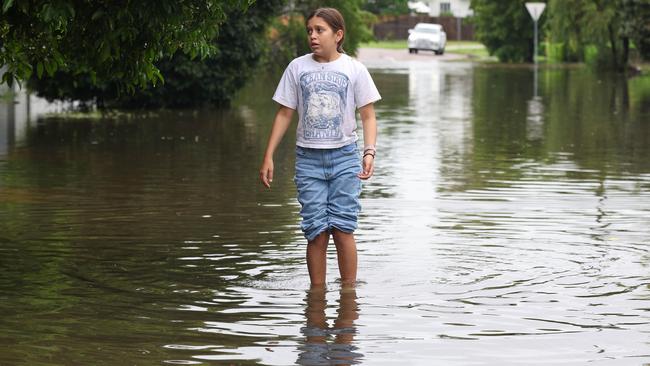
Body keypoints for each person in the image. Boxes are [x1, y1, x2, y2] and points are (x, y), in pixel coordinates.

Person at [259, 7, 381, 287]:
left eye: (319, 30)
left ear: (338, 35)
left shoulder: (354, 69)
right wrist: (268, 156)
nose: (312, 36)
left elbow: (368, 115)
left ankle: (348, 298)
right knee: (315, 232)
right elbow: (284, 113)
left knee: (343, 229)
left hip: (345, 158)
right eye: (309, 31)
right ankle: (317, 299)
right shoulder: (297, 67)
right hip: (308, 160)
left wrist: (369, 151)